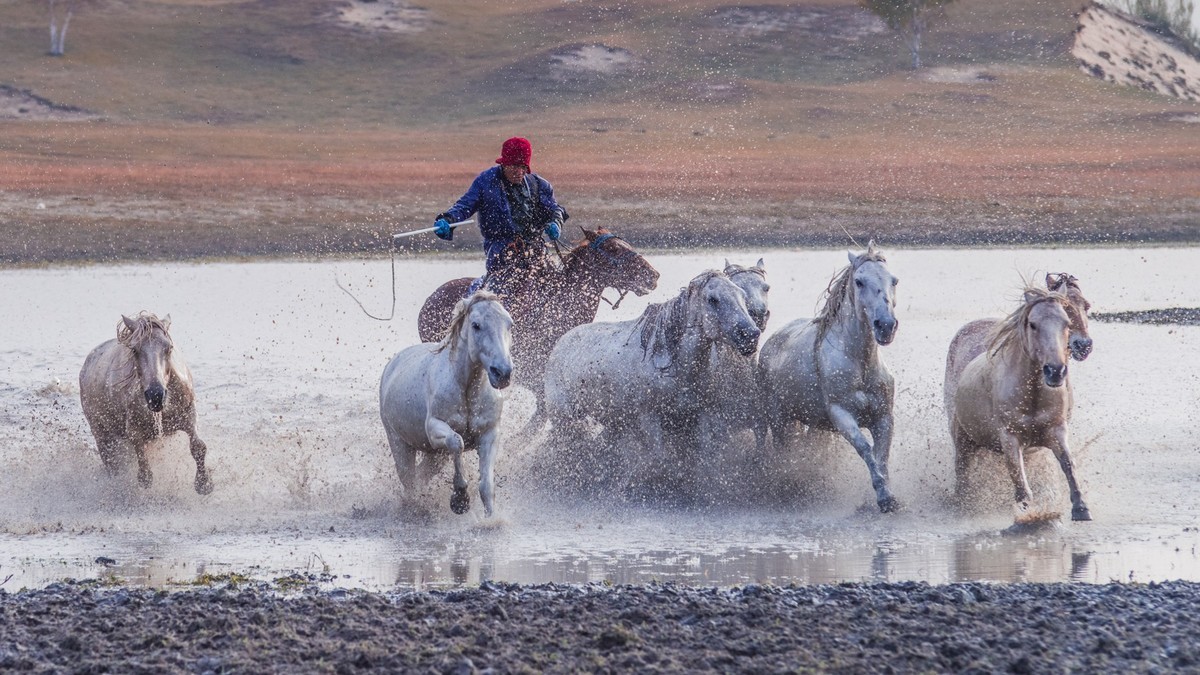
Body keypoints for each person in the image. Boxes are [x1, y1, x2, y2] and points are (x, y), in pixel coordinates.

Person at [433, 137, 568, 294]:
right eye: (514, 167)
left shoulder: (539, 185)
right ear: (503, 164)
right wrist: (447, 220)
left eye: (523, 167)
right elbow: (464, 206)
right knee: (499, 291)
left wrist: (556, 223)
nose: (519, 172)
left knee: (558, 286)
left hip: (536, 250)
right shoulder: (485, 182)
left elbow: (555, 209)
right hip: (500, 250)